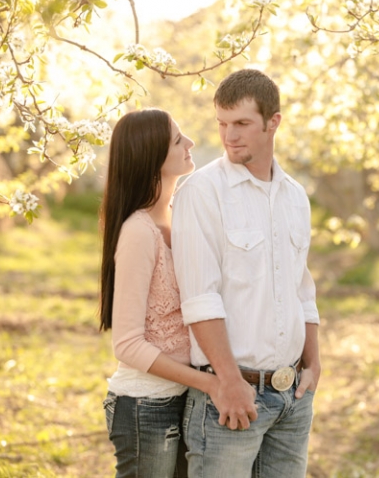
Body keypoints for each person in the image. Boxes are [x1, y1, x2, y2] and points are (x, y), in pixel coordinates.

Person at [171, 68, 321, 477]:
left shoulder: (295, 197)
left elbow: (302, 290)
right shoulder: (201, 192)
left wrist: (314, 363)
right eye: (222, 123)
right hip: (231, 396)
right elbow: (200, 299)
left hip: (293, 397)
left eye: (241, 123)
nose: (229, 136)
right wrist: (230, 381)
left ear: (274, 122)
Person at [99, 108, 234, 478]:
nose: (190, 142)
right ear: (152, 156)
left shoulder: (181, 217)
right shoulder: (139, 232)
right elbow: (126, 344)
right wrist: (210, 382)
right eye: (177, 140)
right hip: (145, 405)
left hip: (187, 399)